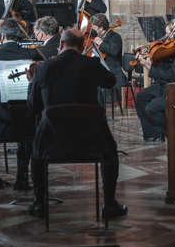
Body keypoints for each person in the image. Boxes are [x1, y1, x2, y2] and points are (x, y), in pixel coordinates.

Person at [28, 28, 127, 219]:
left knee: (36, 153)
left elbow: (34, 107)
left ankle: (39, 203)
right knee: (111, 152)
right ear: (82, 47)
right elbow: (110, 81)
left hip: (53, 138)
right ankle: (109, 203)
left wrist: (33, 82)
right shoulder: (91, 64)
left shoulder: (44, 68)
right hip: (90, 138)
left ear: (61, 44)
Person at [0, 19, 45, 191]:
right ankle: (22, 178)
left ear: (2, 35)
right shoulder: (32, 56)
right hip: (27, 117)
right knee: (27, 131)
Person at [134, 16, 175, 142]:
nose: (169, 37)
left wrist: (148, 65)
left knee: (151, 108)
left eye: (174, 32)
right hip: (169, 82)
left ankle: (173, 133)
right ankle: (153, 134)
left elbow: (172, 75)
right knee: (141, 96)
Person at [87, 13, 126, 95]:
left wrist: (101, 44)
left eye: (94, 28)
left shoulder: (115, 37)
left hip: (113, 71)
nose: (91, 30)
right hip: (100, 71)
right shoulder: (97, 37)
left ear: (101, 28)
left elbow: (114, 51)